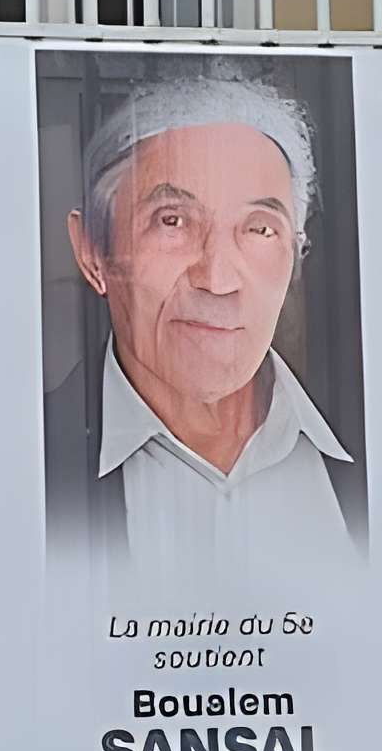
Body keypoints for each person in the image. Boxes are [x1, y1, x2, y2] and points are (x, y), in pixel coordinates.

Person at [57, 69, 358, 588]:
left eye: (260, 229)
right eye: (172, 220)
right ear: (93, 252)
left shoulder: (378, 456)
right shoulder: (31, 458)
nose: (217, 281)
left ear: (295, 254)